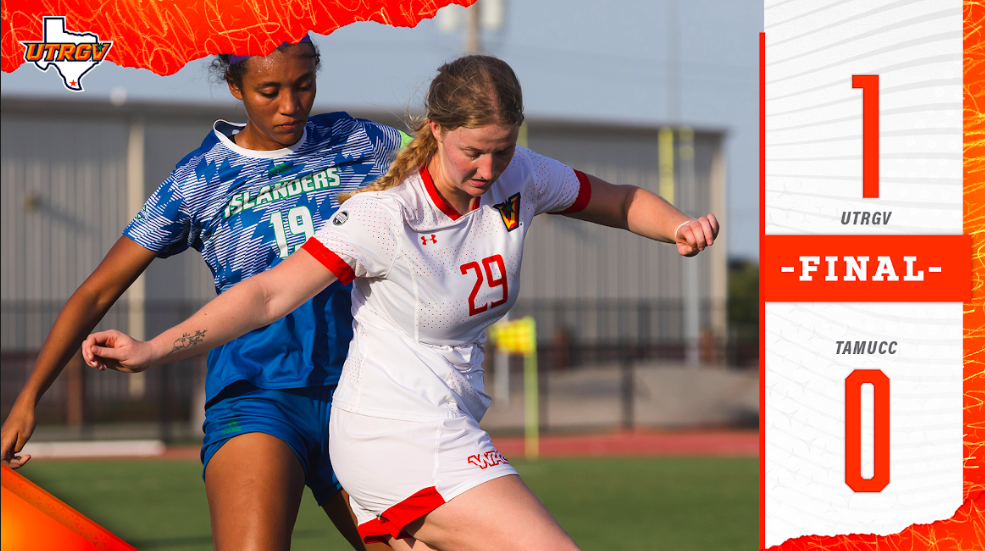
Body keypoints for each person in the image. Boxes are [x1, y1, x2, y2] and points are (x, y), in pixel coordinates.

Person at [81, 55, 720, 551]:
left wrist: (678, 226)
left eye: (501, 149)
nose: (487, 168)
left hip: (449, 415)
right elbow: (267, 292)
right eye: (472, 151)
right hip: (398, 434)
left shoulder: (519, 173)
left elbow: (615, 199)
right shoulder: (384, 216)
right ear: (435, 131)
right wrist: (152, 350)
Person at [1, 36, 407, 551]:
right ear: (235, 86)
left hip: (365, 393)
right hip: (257, 394)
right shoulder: (198, 179)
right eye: (269, 90)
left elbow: (467, 164)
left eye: (304, 86)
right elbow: (98, 291)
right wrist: (29, 397)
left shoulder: (360, 140)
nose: (290, 105)